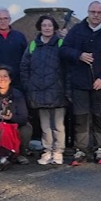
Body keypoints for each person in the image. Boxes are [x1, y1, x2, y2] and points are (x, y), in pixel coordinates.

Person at [61, 1, 101, 165]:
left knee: (100, 117)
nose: (96, 15)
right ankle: (81, 149)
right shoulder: (77, 30)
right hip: (80, 83)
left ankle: (99, 149)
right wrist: (78, 55)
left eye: (99, 12)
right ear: (88, 12)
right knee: (81, 118)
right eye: (92, 12)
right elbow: (64, 49)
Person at [20, 15, 68, 165]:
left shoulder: (60, 44)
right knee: (45, 126)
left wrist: (66, 88)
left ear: (54, 28)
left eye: (50, 25)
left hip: (57, 91)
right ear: (40, 28)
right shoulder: (33, 45)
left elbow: (68, 68)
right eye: (44, 25)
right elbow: (24, 67)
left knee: (58, 125)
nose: (47, 28)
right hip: (38, 92)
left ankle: (58, 151)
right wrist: (28, 85)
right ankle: (47, 151)